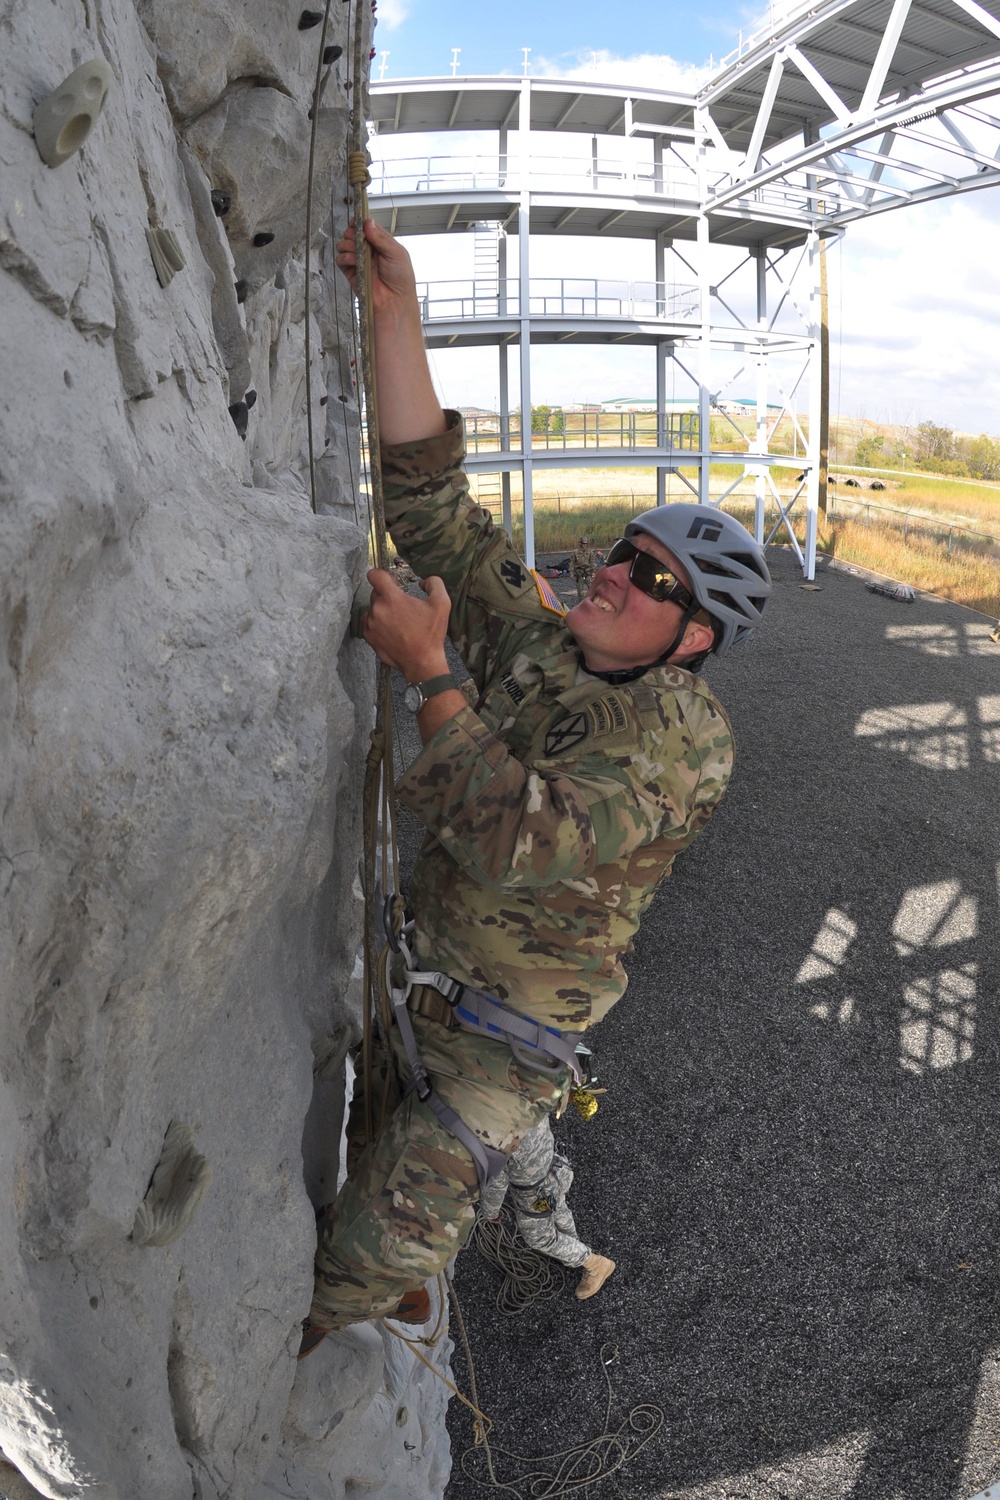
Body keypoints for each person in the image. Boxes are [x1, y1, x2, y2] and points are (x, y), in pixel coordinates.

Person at [300, 219, 771, 1352]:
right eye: (623, 549)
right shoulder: (553, 644)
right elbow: (436, 514)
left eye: (654, 578)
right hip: (421, 975)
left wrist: (430, 674)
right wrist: (392, 313)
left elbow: (527, 840)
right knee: (343, 1155)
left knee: (364, 1259)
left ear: (694, 638)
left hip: (502, 1047)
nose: (614, 573)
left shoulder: (680, 735)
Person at [478, 1115, 616, 1300]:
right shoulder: (524, 1098)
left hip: (535, 1194)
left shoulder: (493, 1134)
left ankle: (594, 1264)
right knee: (558, 1207)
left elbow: (496, 1183)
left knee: (541, 1240)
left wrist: (490, 1212)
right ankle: (572, 1244)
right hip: (556, 1168)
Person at [570, 535, 599, 601]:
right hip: (579, 573)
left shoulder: (590, 552)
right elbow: (572, 563)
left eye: (586, 543)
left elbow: (592, 563)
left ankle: (592, 603)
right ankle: (581, 604)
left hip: (588, 572)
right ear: (580, 543)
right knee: (580, 591)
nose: (585, 545)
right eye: (583, 543)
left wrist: (593, 572)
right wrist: (571, 572)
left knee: (592, 589)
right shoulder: (575, 552)